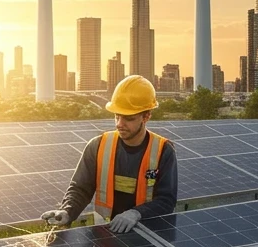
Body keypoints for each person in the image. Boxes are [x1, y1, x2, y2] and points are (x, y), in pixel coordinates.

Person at [42, 75, 178, 234]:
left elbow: (166, 200)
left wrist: (136, 213)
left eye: (128, 118)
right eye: (117, 116)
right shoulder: (98, 146)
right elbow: (80, 188)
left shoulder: (163, 151)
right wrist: (67, 211)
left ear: (146, 116)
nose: (120, 124)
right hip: (103, 237)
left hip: (146, 236)